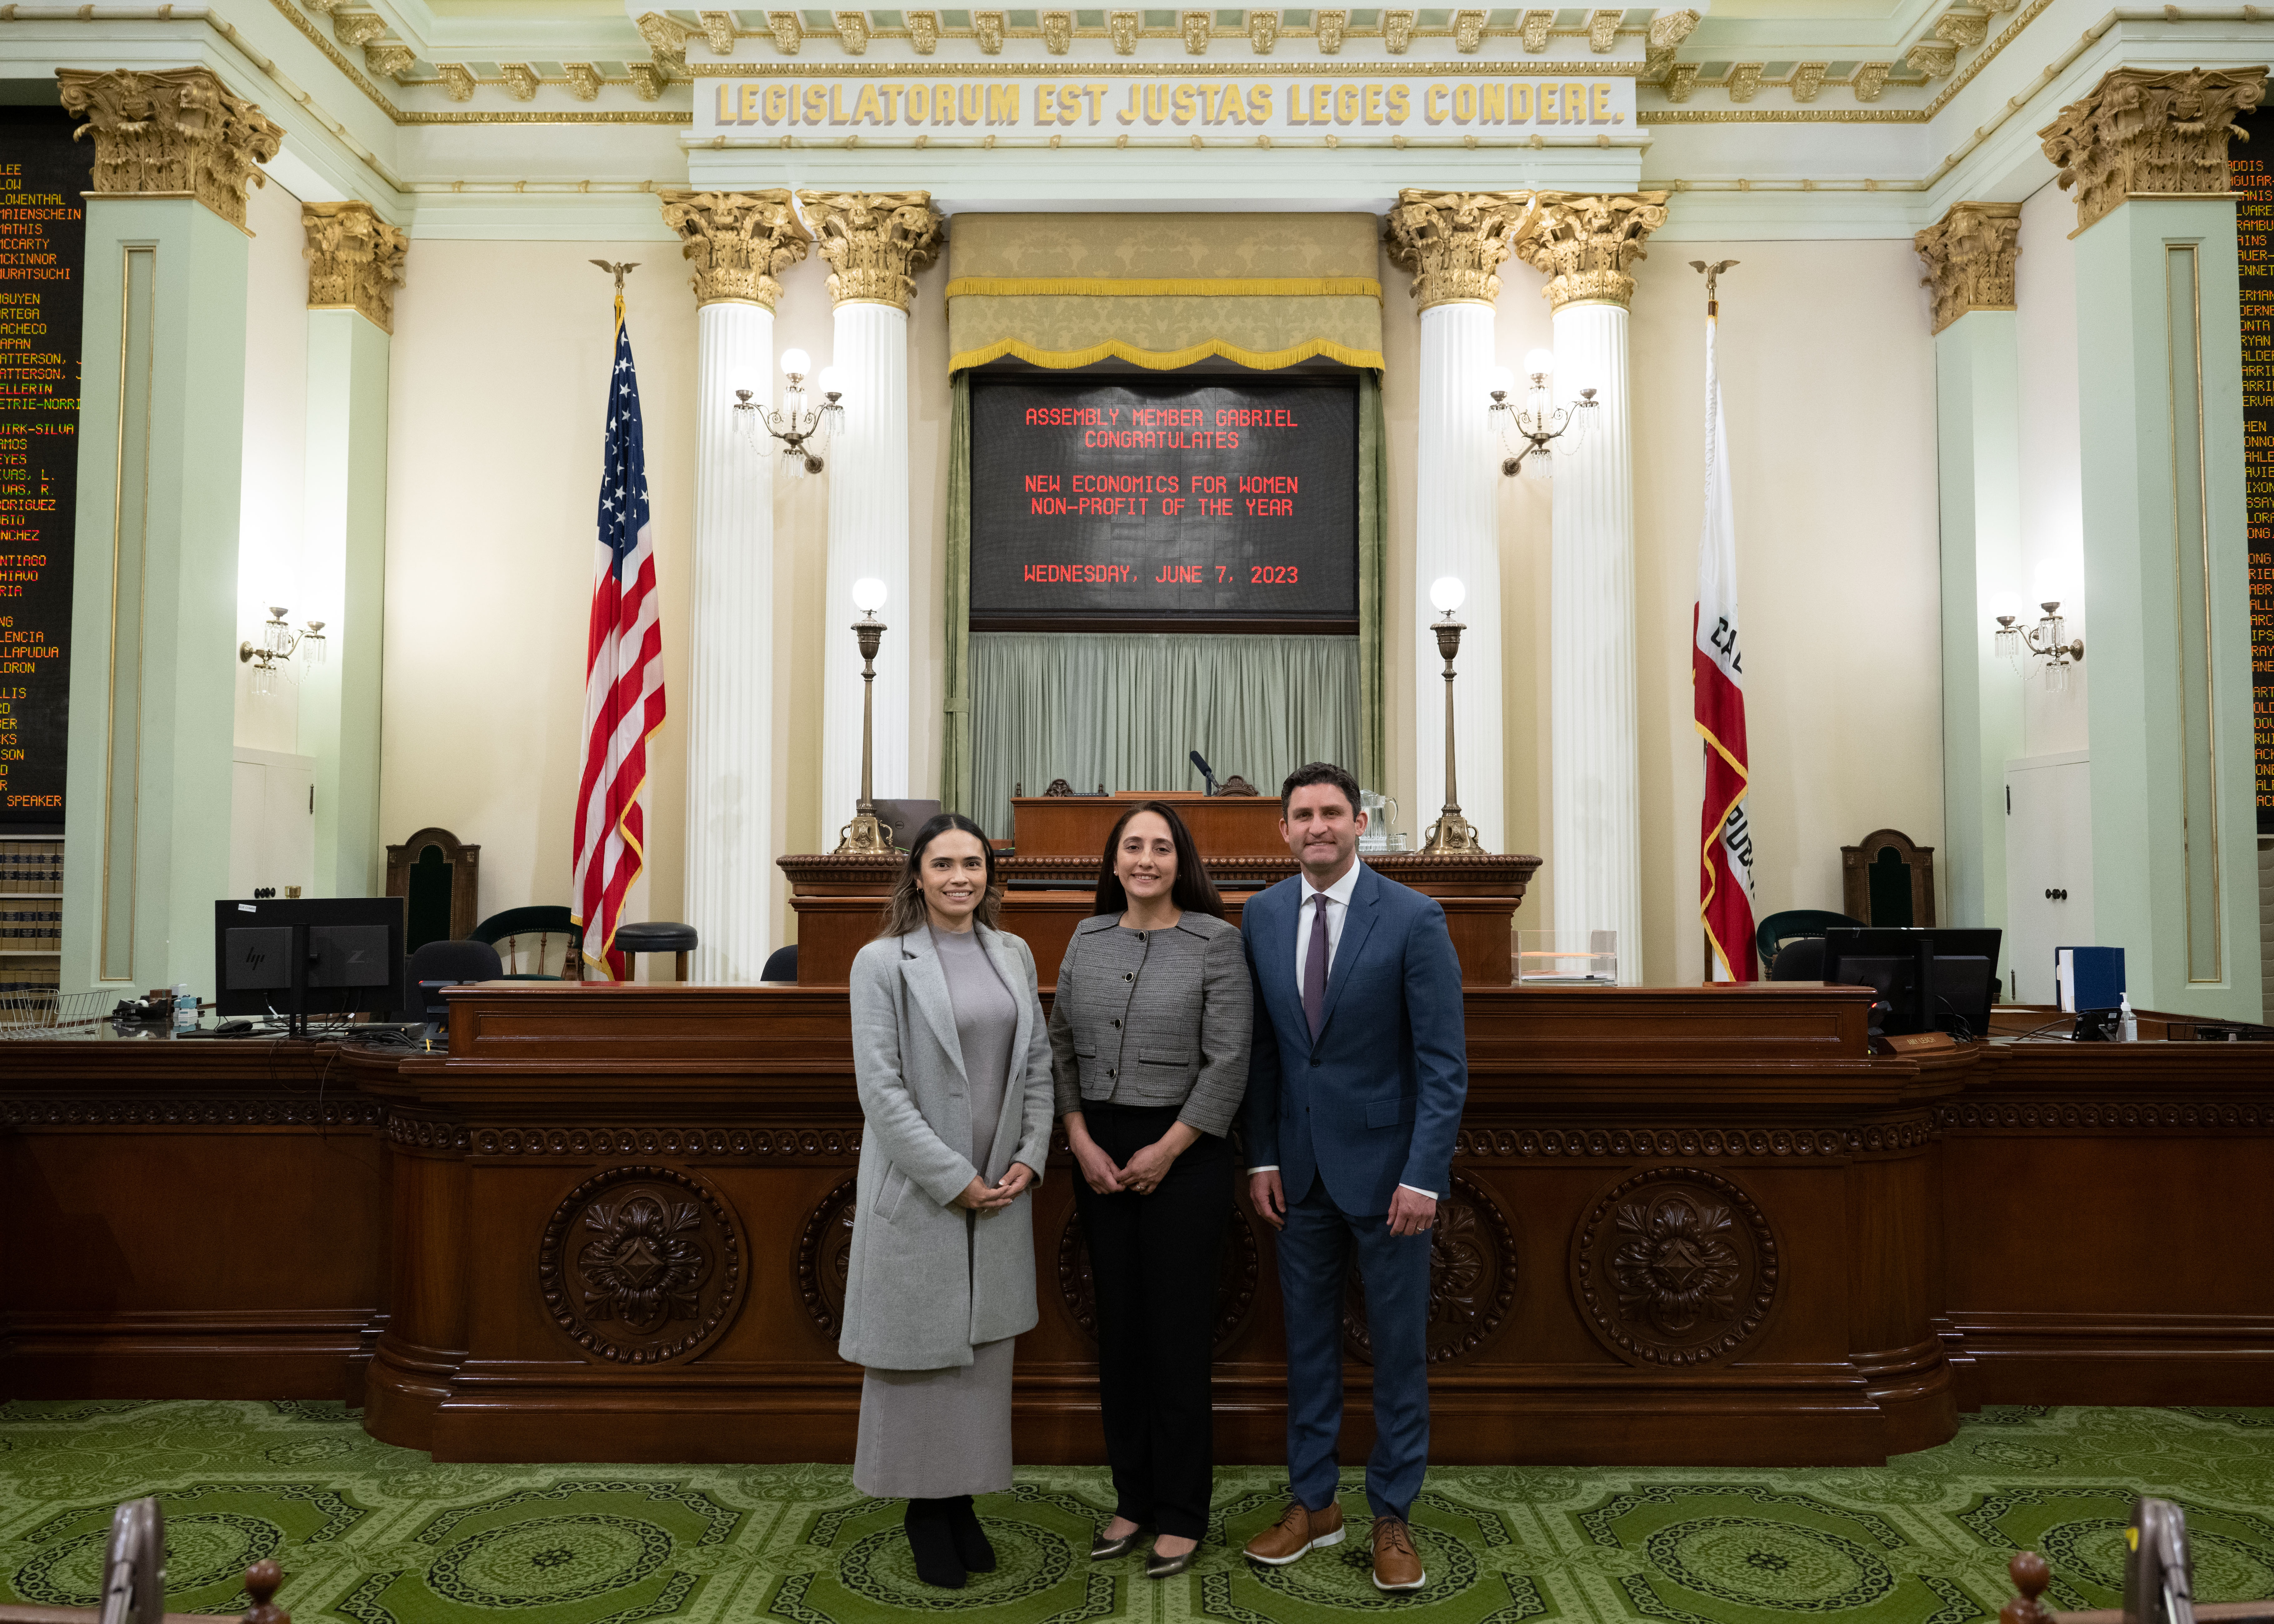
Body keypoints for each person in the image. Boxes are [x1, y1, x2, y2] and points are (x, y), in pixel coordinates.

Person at [1239, 761, 1466, 1593]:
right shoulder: (1261, 916)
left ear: (1358, 823)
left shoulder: (1413, 918)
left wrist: (1424, 1175)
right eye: (1302, 815)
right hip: (1296, 1178)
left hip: (1392, 1182)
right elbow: (1263, 1049)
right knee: (1307, 1351)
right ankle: (1314, 1504)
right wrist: (1261, 1155)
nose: (1317, 828)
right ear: (1285, 829)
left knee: (1399, 1354)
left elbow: (1443, 1066)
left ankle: (1393, 1514)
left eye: (1332, 813)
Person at [842, 812, 1056, 1590]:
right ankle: (922, 1511)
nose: (960, 876)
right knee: (919, 1355)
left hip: (1001, 1188)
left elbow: (1037, 1062)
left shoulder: (1012, 950)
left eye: (973, 863)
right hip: (924, 1192)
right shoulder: (882, 961)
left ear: (990, 874)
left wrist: (1029, 1156)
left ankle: (960, 1497)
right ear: (917, 874)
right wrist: (949, 1175)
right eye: (943, 864)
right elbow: (882, 1089)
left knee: (980, 1355)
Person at [1049, 801, 1252, 1580]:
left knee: (1174, 1337)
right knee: (1121, 1336)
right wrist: (1077, 1137)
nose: (1145, 858)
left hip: (1187, 1154)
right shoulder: (1086, 936)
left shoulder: (1215, 941)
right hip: (1097, 1151)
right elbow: (1061, 1040)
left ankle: (1182, 1511)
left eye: (1160, 846)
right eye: (1132, 845)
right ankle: (1132, 1497)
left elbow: (1229, 1061)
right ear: (1112, 861)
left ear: (1180, 861)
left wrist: (1169, 1147)